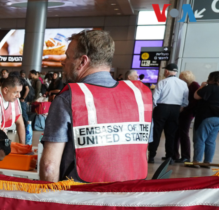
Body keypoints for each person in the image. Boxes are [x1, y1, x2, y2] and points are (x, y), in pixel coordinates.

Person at [39, 30, 151, 183]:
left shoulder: (69, 99)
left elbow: (49, 167)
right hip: (129, 197)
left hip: (82, 199)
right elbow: (141, 150)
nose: (63, 62)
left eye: (67, 56)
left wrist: (51, 202)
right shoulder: (139, 97)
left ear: (82, 62)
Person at [148, 63, 189, 163]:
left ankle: (151, 156)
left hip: (161, 108)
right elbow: (185, 100)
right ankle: (169, 157)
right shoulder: (183, 84)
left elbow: (154, 98)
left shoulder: (162, 82)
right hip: (175, 109)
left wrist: (153, 108)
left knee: (156, 133)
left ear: (166, 71)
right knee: (171, 134)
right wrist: (180, 107)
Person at [192, 71, 219, 164]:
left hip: (208, 116)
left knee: (200, 139)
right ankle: (207, 162)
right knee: (210, 141)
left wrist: (201, 86)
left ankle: (197, 161)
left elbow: (196, 96)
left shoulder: (210, 88)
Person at [173, 70, 200, 164]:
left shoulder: (194, 85)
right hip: (182, 111)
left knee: (184, 133)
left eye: (182, 77)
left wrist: (184, 107)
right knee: (176, 133)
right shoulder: (185, 85)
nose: (180, 79)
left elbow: (196, 100)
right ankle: (175, 155)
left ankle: (186, 156)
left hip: (188, 112)